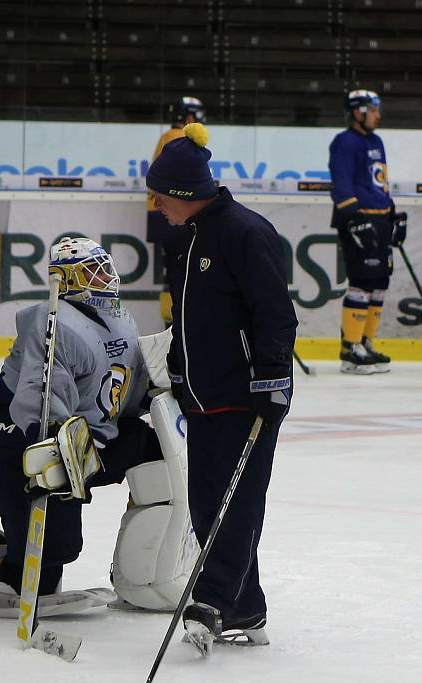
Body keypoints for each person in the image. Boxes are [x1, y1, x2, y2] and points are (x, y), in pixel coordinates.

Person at [0, 237, 200, 618]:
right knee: (47, 560)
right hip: (25, 454)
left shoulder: (118, 319)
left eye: (104, 268)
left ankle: (146, 576)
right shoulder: (52, 327)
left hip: (87, 445)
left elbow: (123, 391)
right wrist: (55, 448)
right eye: (91, 272)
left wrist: (167, 383)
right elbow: (36, 403)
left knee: (153, 454)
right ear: (66, 280)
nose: (104, 278)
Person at [146, 122, 298, 653]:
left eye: (161, 195)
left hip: (247, 398)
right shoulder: (187, 238)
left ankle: (210, 601)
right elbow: (191, 319)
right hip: (204, 397)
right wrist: (178, 371)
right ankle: (247, 606)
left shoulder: (245, 232)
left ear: (184, 192)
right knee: (208, 504)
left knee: (237, 504)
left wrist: (272, 377)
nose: (156, 204)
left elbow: (275, 314)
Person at [328, 89, 408, 375]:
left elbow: (379, 183)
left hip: (380, 221)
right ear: (358, 112)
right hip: (357, 221)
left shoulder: (376, 141)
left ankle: (365, 341)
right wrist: (355, 218)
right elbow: (341, 184)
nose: (378, 115)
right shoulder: (344, 142)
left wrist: (392, 212)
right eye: (373, 110)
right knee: (362, 282)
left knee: (379, 283)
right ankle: (350, 350)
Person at [147, 96, 206, 328]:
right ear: (189, 117)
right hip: (172, 213)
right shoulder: (180, 140)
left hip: (160, 214)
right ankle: (175, 320)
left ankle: (171, 320)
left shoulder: (167, 137)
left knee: (171, 270)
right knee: (178, 270)